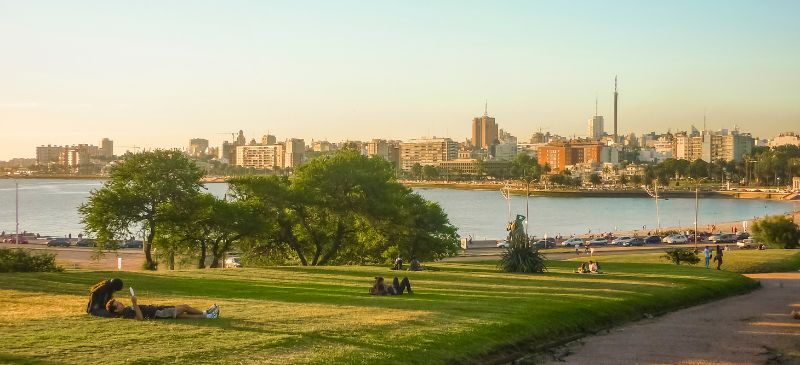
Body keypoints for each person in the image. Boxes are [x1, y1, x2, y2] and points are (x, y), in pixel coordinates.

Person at [106, 296, 219, 320]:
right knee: (184, 307)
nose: (120, 303)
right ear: (116, 310)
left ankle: (209, 315)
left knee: (183, 315)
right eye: (117, 304)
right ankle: (206, 313)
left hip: (159, 310)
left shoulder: (126, 310)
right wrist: (135, 303)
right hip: (158, 313)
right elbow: (139, 318)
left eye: (118, 302)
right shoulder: (126, 313)